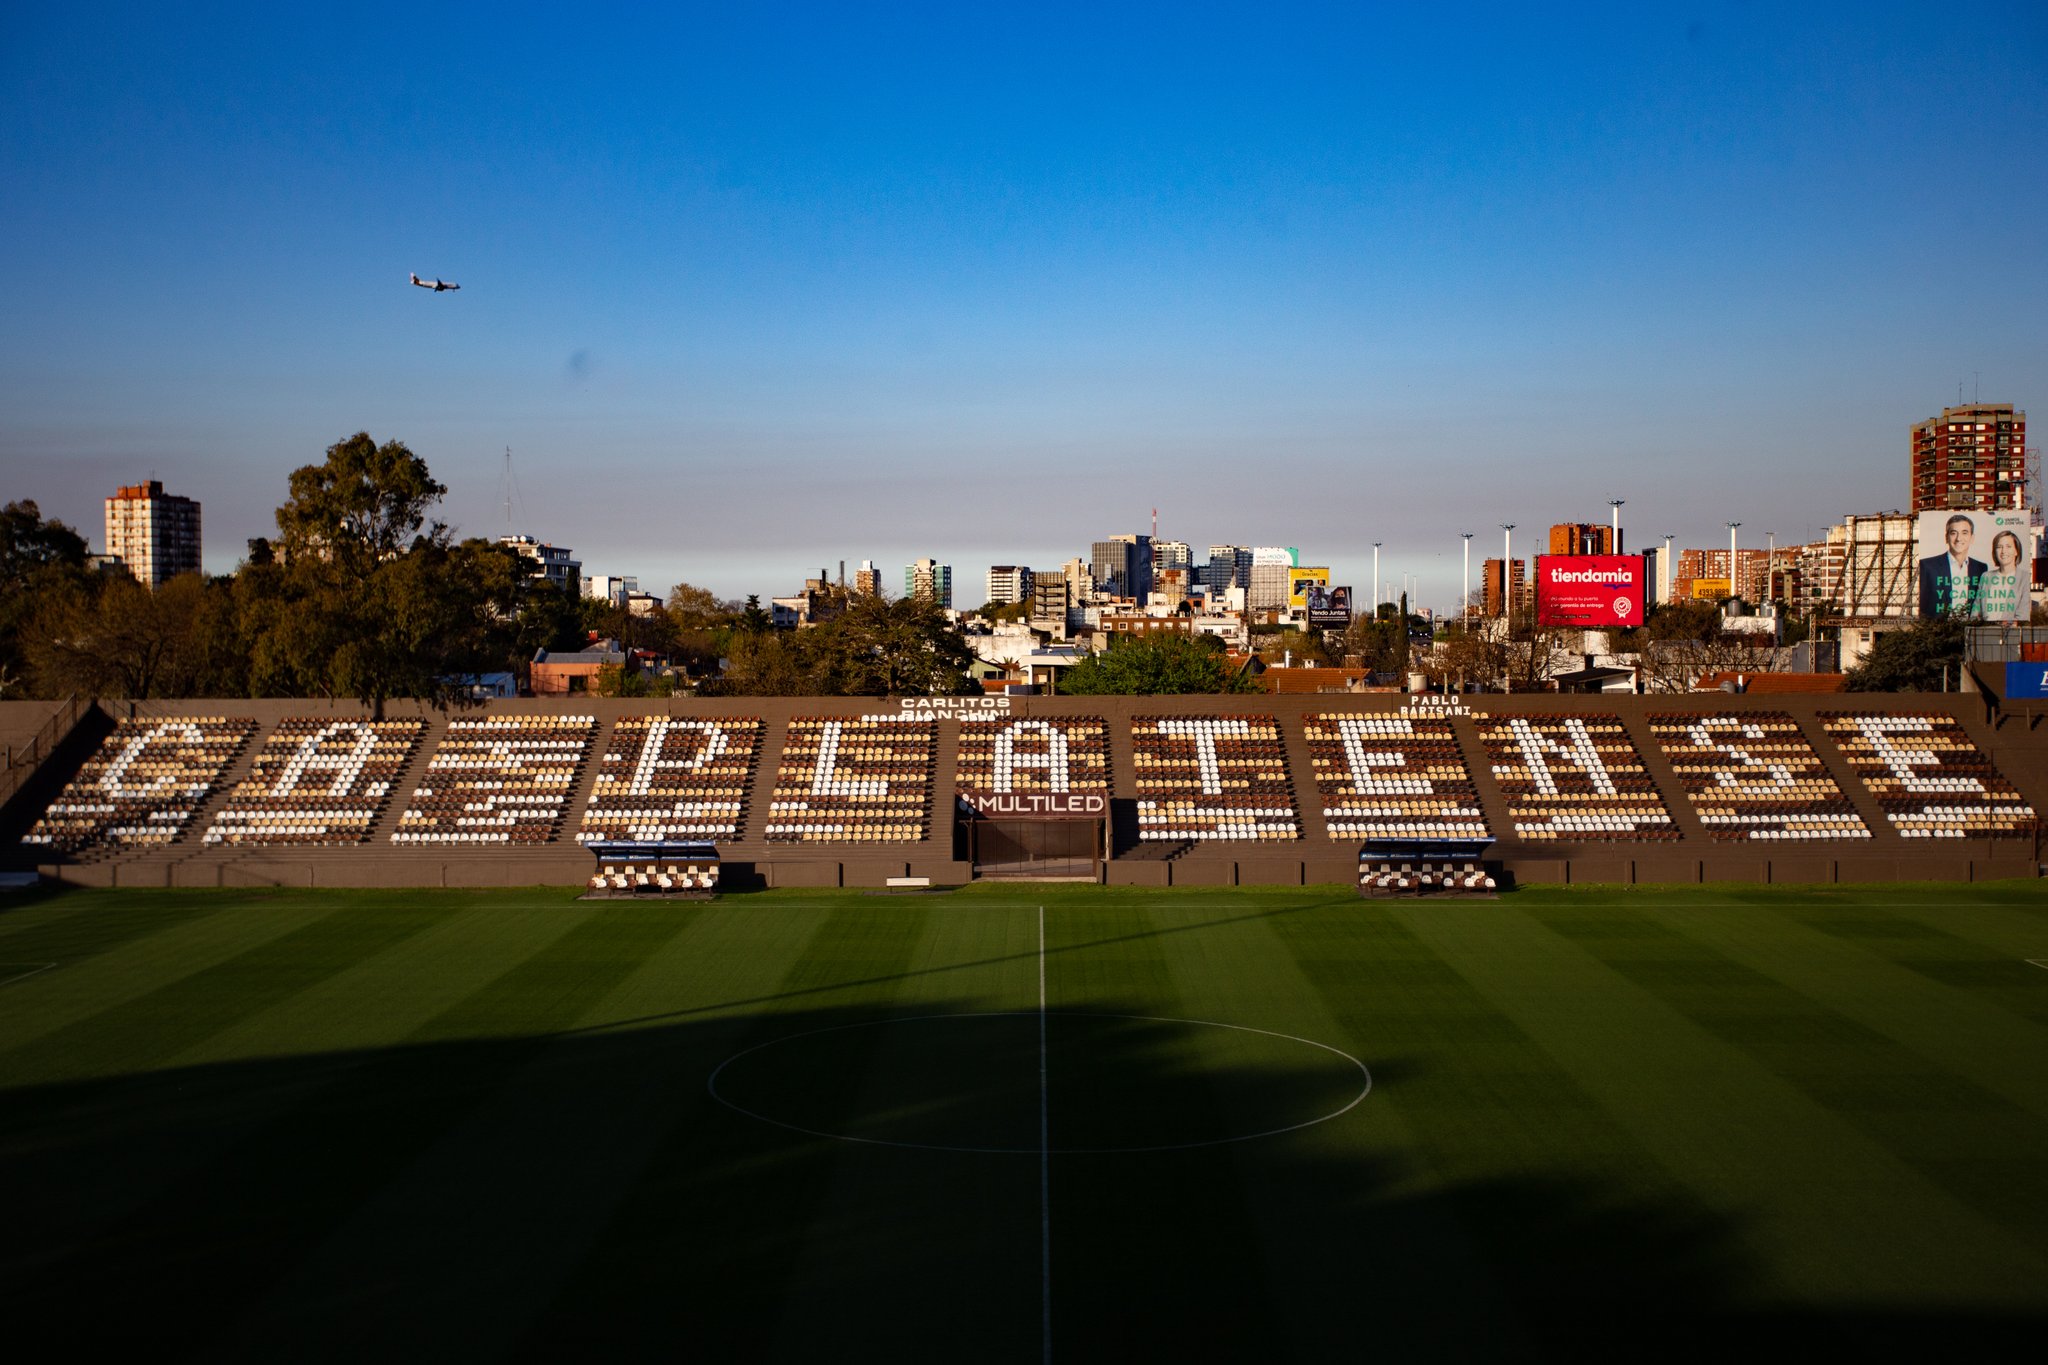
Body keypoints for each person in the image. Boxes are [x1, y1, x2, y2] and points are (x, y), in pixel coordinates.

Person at [1918, 513, 1987, 617]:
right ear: (1946, 537)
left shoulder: (1981, 568)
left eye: (1964, 533)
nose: (1959, 538)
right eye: (1953, 533)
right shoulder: (1927, 566)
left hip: (1969, 629)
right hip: (1939, 631)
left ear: (1972, 538)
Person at [1980, 529, 2027, 621]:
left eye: (2008, 546)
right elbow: (1976, 610)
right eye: (1999, 547)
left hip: (2011, 633)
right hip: (1984, 632)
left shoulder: (2025, 577)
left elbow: (2023, 615)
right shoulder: (1986, 576)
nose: (2003, 551)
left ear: (2016, 551)